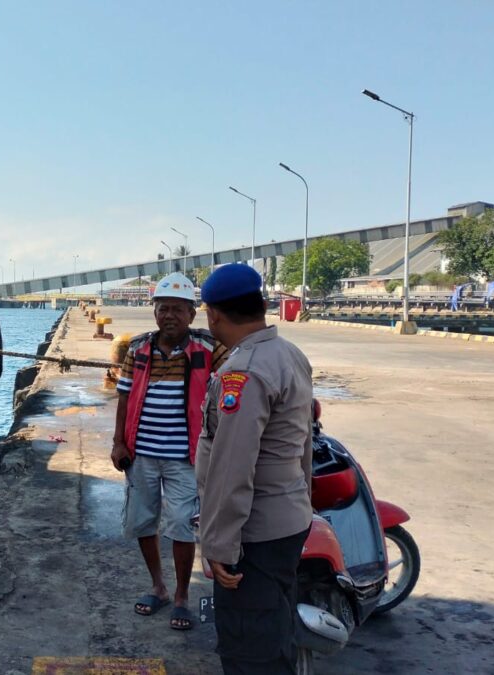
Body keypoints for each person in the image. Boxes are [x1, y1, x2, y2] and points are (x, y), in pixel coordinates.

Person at [195, 265, 314, 674]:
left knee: (249, 649)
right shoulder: (289, 354)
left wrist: (219, 545)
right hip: (288, 519)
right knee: (274, 632)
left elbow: (232, 465)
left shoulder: (243, 371)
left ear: (212, 314)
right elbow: (304, 444)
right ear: (261, 305)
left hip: (254, 533)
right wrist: (304, 500)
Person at [111, 272, 227, 629]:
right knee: (142, 521)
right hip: (141, 455)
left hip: (186, 458)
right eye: (163, 309)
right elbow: (124, 396)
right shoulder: (138, 349)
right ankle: (158, 587)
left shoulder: (209, 349)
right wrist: (118, 442)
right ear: (155, 313)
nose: (170, 316)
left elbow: (236, 380)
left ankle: (181, 596)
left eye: (178, 309)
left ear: (192, 314)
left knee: (180, 526)